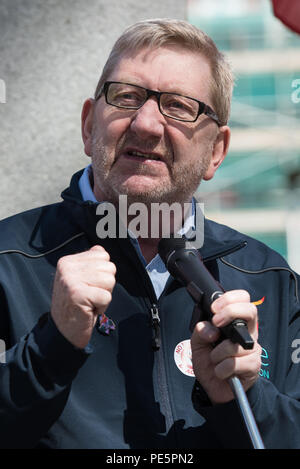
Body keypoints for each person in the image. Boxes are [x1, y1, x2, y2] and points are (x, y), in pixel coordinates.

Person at [0, 18, 299, 450]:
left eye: (179, 106)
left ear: (216, 151)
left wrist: (243, 397)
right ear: (89, 126)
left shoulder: (270, 279)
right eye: (127, 97)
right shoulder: (9, 261)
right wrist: (52, 348)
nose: (146, 123)